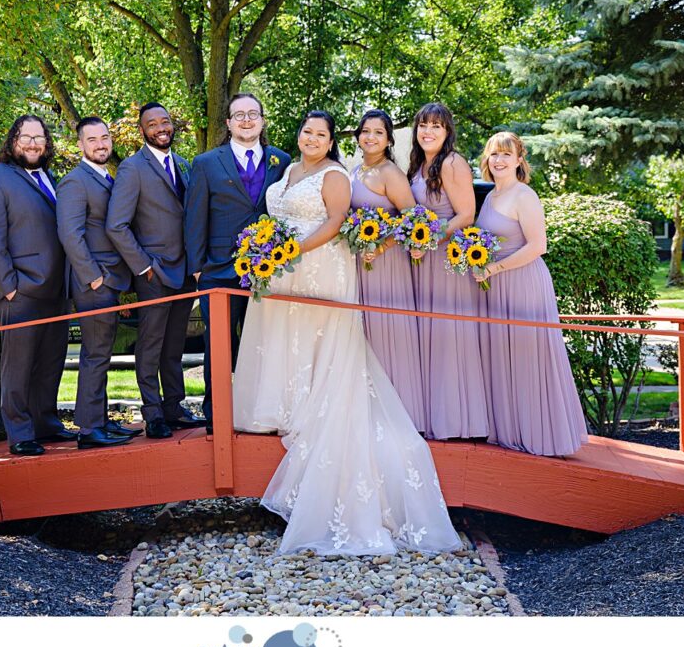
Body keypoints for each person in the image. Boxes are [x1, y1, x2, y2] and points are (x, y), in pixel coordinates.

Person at [233, 110, 461, 556]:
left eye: (321, 133)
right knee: (286, 341)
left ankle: (308, 412)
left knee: (319, 343)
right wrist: (266, 248)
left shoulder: (339, 174)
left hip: (316, 266)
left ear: (332, 140)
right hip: (281, 270)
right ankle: (282, 407)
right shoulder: (289, 169)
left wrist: (287, 250)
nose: (312, 138)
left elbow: (338, 220)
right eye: (307, 131)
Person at [472, 131, 587, 456]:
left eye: (506, 154)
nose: (499, 160)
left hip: (522, 283)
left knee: (528, 357)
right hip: (495, 287)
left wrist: (494, 269)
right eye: (494, 154)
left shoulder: (525, 196)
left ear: (519, 160)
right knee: (503, 357)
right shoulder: (492, 195)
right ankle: (510, 430)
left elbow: (538, 246)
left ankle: (543, 437)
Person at [0, 115, 76, 456]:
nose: (32, 143)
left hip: (57, 289)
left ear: (47, 143)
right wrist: (9, 286)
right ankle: (20, 432)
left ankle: (45, 422)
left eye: (39, 137)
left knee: (50, 362)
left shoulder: (52, 179)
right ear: (12, 142)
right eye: (25, 137)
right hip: (21, 290)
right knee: (18, 366)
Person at [184, 93, 291, 430]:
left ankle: (259, 411)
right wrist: (198, 268)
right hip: (218, 269)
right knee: (218, 345)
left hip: (267, 272)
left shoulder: (282, 160)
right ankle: (216, 412)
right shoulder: (205, 163)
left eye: (253, 114)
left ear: (262, 120)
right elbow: (194, 219)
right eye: (239, 115)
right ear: (228, 122)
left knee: (263, 344)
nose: (247, 120)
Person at [106, 102, 206, 439]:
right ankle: (153, 414)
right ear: (142, 130)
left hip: (184, 272)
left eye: (165, 121)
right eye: (152, 123)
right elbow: (116, 226)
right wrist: (144, 267)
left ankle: (174, 408)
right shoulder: (133, 169)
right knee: (150, 346)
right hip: (154, 273)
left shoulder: (183, 165)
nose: (160, 127)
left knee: (174, 345)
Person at [406, 102, 490, 440]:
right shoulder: (417, 165)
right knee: (429, 338)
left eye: (436, 126)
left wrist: (429, 240)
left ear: (447, 132)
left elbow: (466, 215)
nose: (428, 131)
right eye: (423, 125)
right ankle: (431, 416)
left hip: (445, 262)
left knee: (450, 339)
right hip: (421, 262)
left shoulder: (453, 163)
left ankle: (459, 423)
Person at [56, 116, 140, 450]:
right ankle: (90, 429)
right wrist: (94, 278)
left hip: (111, 281)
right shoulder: (75, 182)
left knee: (103, 352)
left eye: (105, 138)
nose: (101, 144)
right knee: (94, 353)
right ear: (80, 145)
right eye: (92, 140)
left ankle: (100, 420)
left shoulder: (106, 178)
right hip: (93, 282)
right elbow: (70, 234)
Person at [349, 109, 426, 434]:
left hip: (387, 263)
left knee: (389, 333)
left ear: (389, 139)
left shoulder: (390, 172)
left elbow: (414, 219)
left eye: (378, 133)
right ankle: (369, 411)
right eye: (365, 131)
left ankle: (402, 416)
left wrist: (378, 247)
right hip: (359, 264)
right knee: (365, 336)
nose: (370, 137)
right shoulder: (354, 171)